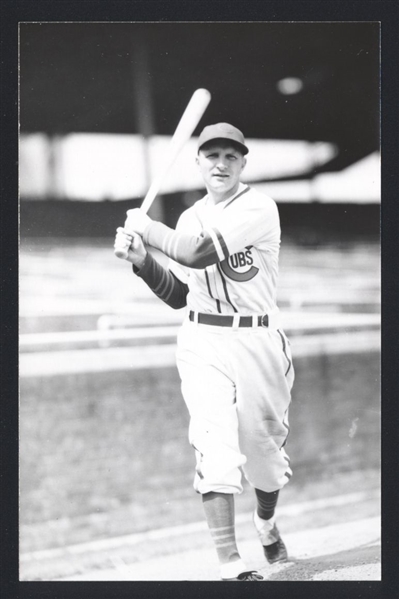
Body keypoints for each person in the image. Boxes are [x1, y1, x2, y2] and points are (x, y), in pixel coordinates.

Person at [114, 122, 295, 581]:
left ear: (242, 163)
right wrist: (143, 262)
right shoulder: (189, 216)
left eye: (230, 156)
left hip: (256, 340)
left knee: (265, 458)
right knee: (215, 450)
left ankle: (266, 522)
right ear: (198, 162)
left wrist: (148, 228)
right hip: (202, 342)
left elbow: (196, 254)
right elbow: (181, 295)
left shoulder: (258, 207)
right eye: (211, 155)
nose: (221, 164)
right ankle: (231, 565)